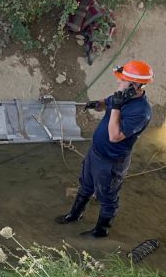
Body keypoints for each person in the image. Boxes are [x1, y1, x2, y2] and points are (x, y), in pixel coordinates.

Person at [55, 60, 153, 237]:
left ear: (135, 85)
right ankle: (74, 215)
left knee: (107, 197)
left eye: (122, 80)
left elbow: (114, 137)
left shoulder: (141, 111)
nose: (118, 82)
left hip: (111, 162)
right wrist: (97, 104)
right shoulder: (122, 95)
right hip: (96, 153)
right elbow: (106, 103)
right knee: (85, 185)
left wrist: (115, 107)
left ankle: (101, 231)